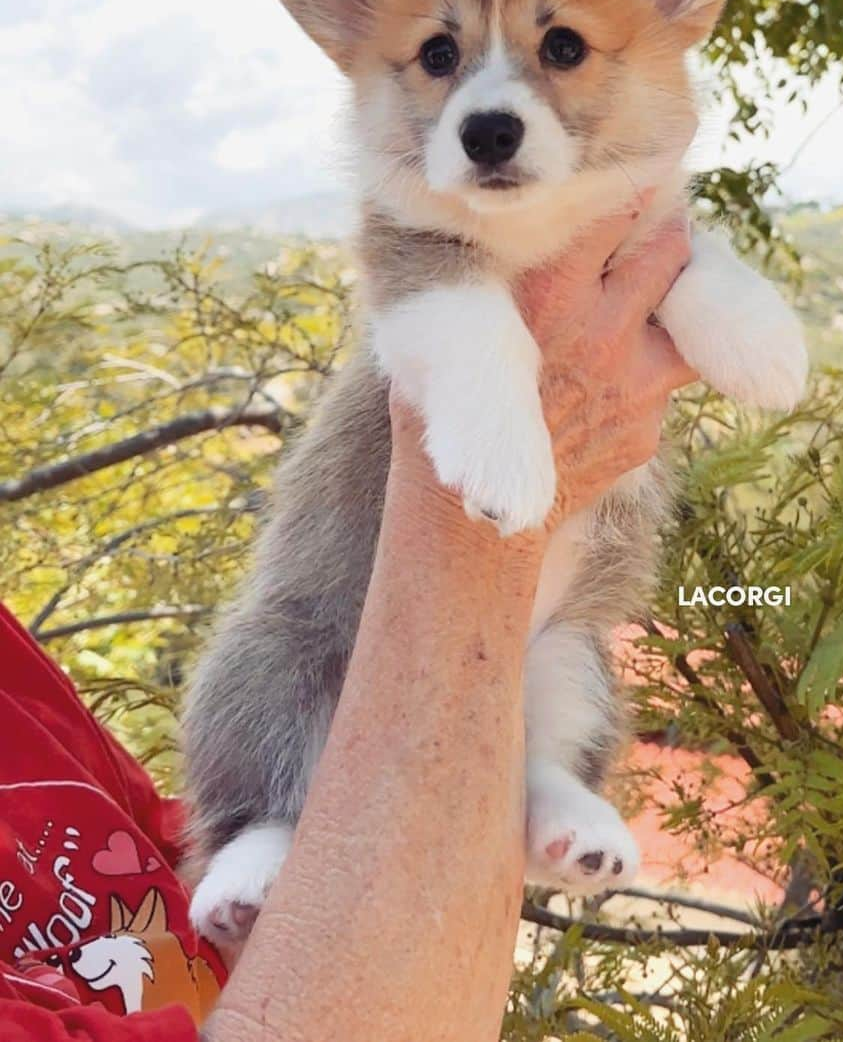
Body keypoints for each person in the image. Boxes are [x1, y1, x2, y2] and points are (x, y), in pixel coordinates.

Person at [0, 201, 693, 1041]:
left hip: (278, 916)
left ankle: (536, 780)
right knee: (265, 660)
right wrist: (480, 540)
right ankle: (268, 825)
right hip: (342, 934)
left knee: (567, 656)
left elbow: (128, 844)